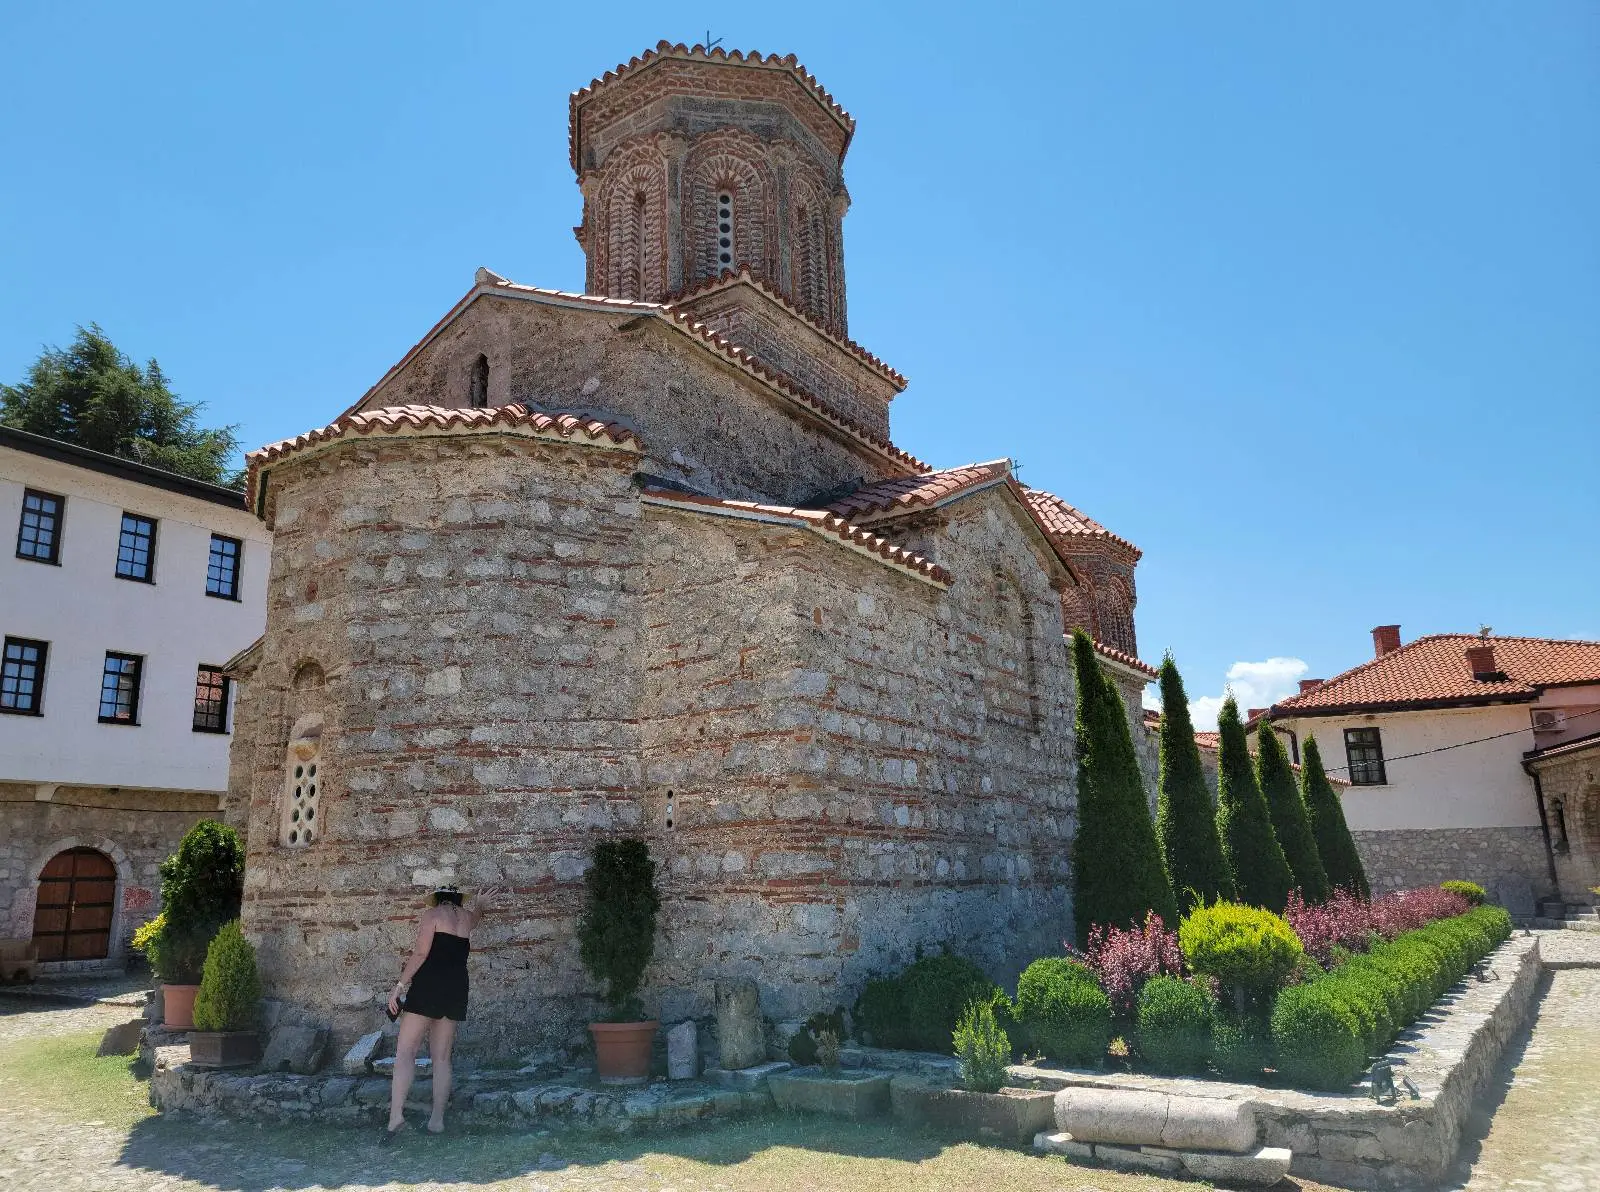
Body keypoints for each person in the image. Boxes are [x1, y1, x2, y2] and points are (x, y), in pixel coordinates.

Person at [383, 884, 501, 1142]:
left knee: (405, 1052)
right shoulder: (467, 918)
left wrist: (399, 986)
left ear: (437, 899)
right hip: (457, 988)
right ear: (458, 899)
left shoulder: (432, 915)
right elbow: (476, 918)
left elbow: (421, 953)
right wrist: (480, 904)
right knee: (442, 1058)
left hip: (429, 986)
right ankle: (437, 1121)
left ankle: (396, 1119)